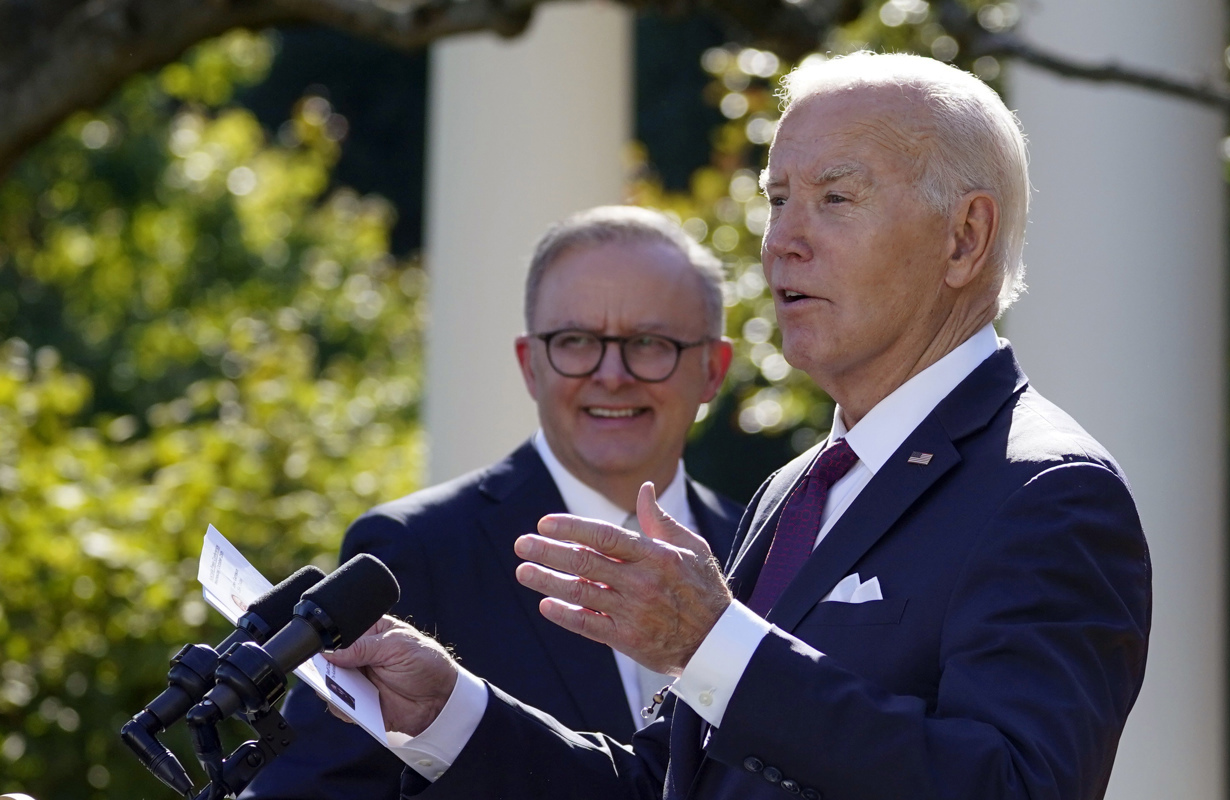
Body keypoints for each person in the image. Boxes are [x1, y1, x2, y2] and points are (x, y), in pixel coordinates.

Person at [325, 52, 1152, 800]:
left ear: (966, 238)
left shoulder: (1047, 492)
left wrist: (717, 645)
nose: (783, 242)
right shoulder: (796, 489)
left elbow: (1014, 789)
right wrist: (445, 709)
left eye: (835, 199)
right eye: (778, 200)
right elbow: (669, 786)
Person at [240, 206, 743, 800]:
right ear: (530, 365)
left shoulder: (764, 547)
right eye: (576, 341)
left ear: (713, 369)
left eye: (649, 343)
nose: (612, 375)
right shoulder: (416, 551)